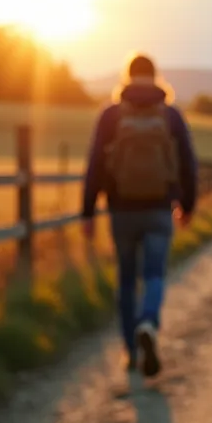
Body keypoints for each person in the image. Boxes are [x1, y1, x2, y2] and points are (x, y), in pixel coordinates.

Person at [81, 53, 198, 377]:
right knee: (155, 275)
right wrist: (187, 205)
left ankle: (131, 352)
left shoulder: (111, 114)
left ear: (127, 76)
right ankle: (148, 321)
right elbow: (188, 163)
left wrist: (88, 212)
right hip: (160, 209)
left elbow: (94, 165)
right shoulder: (171, 115)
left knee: (126, 278)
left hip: (121, 210)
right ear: (156, 76)